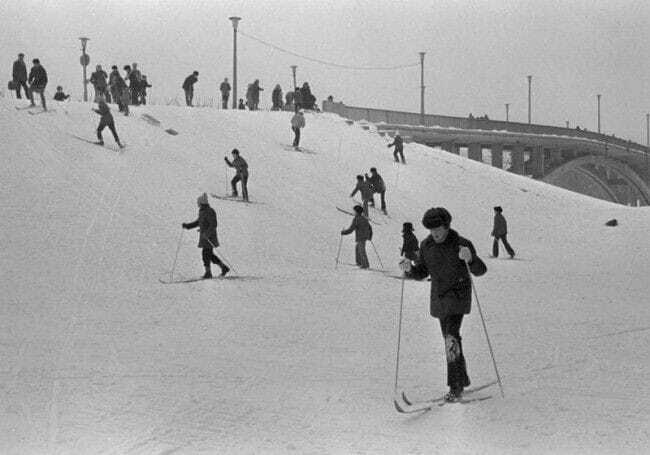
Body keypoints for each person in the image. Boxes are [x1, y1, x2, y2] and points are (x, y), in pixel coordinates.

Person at [399, 207, 487, 402]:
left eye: (438, 229)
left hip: (457, 296)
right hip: (439, 299)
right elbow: (422, 272)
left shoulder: (461, 244)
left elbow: (481, 270)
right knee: (450, 340)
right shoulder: (426, 245)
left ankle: (455, 386)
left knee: (451, 339)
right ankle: (461, 379)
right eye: (431, 230)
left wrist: (470, 258)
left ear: (447, 226)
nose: (435, 233)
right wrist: (410, 269)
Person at [182, 193, 230, 279]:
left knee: (205, 254)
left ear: (201, 203)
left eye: (198, 203)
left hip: (209, 238)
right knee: (210, 255)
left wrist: (207, 234)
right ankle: (223, 267)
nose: (198, 204)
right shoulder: (203, 211)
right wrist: (188, 226)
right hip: (205, 238)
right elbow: (199, 222)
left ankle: (208, 273)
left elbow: (213, 225)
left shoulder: (210, 211)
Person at [340, 205, 373, 269]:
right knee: (357, 249)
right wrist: (369, 236)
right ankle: (359, 262)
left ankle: (365, 265)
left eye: (354, 211)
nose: (353, 212)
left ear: (357, 212)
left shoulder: (356, 219)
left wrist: (344, 232)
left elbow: (351, 229)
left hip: (361, 237)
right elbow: (369, 228)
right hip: (364, 237)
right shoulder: (364, 218)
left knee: (361, 251)